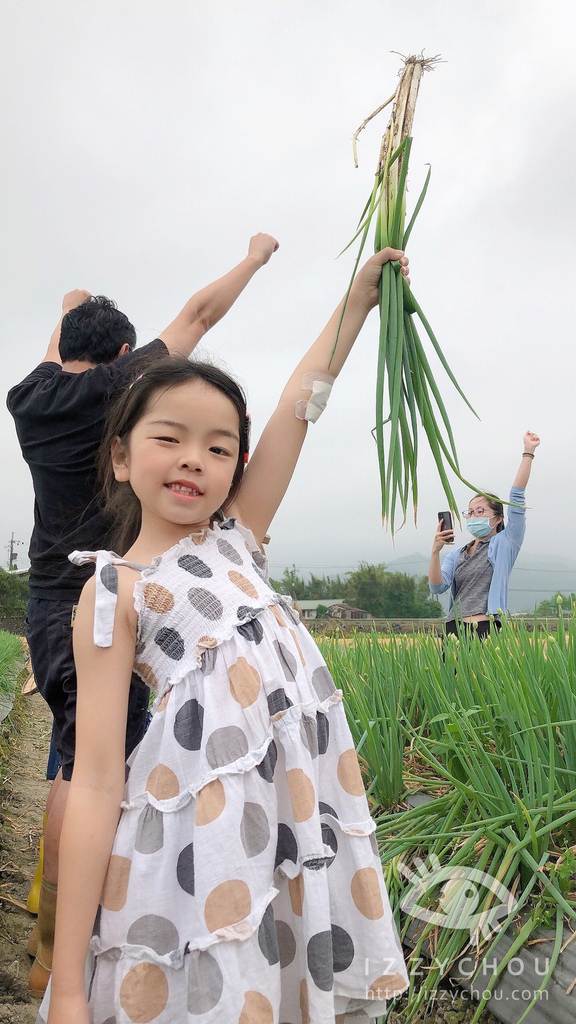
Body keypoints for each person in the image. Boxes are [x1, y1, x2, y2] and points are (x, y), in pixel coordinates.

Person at [41, 246, 410, 1024]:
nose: (194, 461)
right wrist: (67, 984)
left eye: (219, 447)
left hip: (289, 812)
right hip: (200, 840)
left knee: (279, 972)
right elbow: (99, 778)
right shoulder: (114, 592)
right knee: (220, 981)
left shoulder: (238, 536)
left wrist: (357, 305)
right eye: (169, 437)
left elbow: (297, 407)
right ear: (119, 455)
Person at [6, 232, 279, 996]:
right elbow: (197, 313)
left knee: (73, 756)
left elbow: (62, 333)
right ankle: (61, 944)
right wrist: (255, 259)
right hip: (116, 598)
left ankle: (44, 929)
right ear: (127, 352)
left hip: (50, 598)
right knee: (92, 771)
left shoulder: (29, 396)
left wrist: (71, 307)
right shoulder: (120, 390)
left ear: (61, 346)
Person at [428, 432, 540, 636]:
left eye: (480, 512)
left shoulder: (506, 542)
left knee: (482, 670)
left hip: (486, 628)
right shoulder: (457, 554)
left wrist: (528, 452)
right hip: (454, 629)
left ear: (498, 518)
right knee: (450, 670)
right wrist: (435, 551)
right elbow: (437, 587)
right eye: (470, 512)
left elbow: (516, 497)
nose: (473, 516)